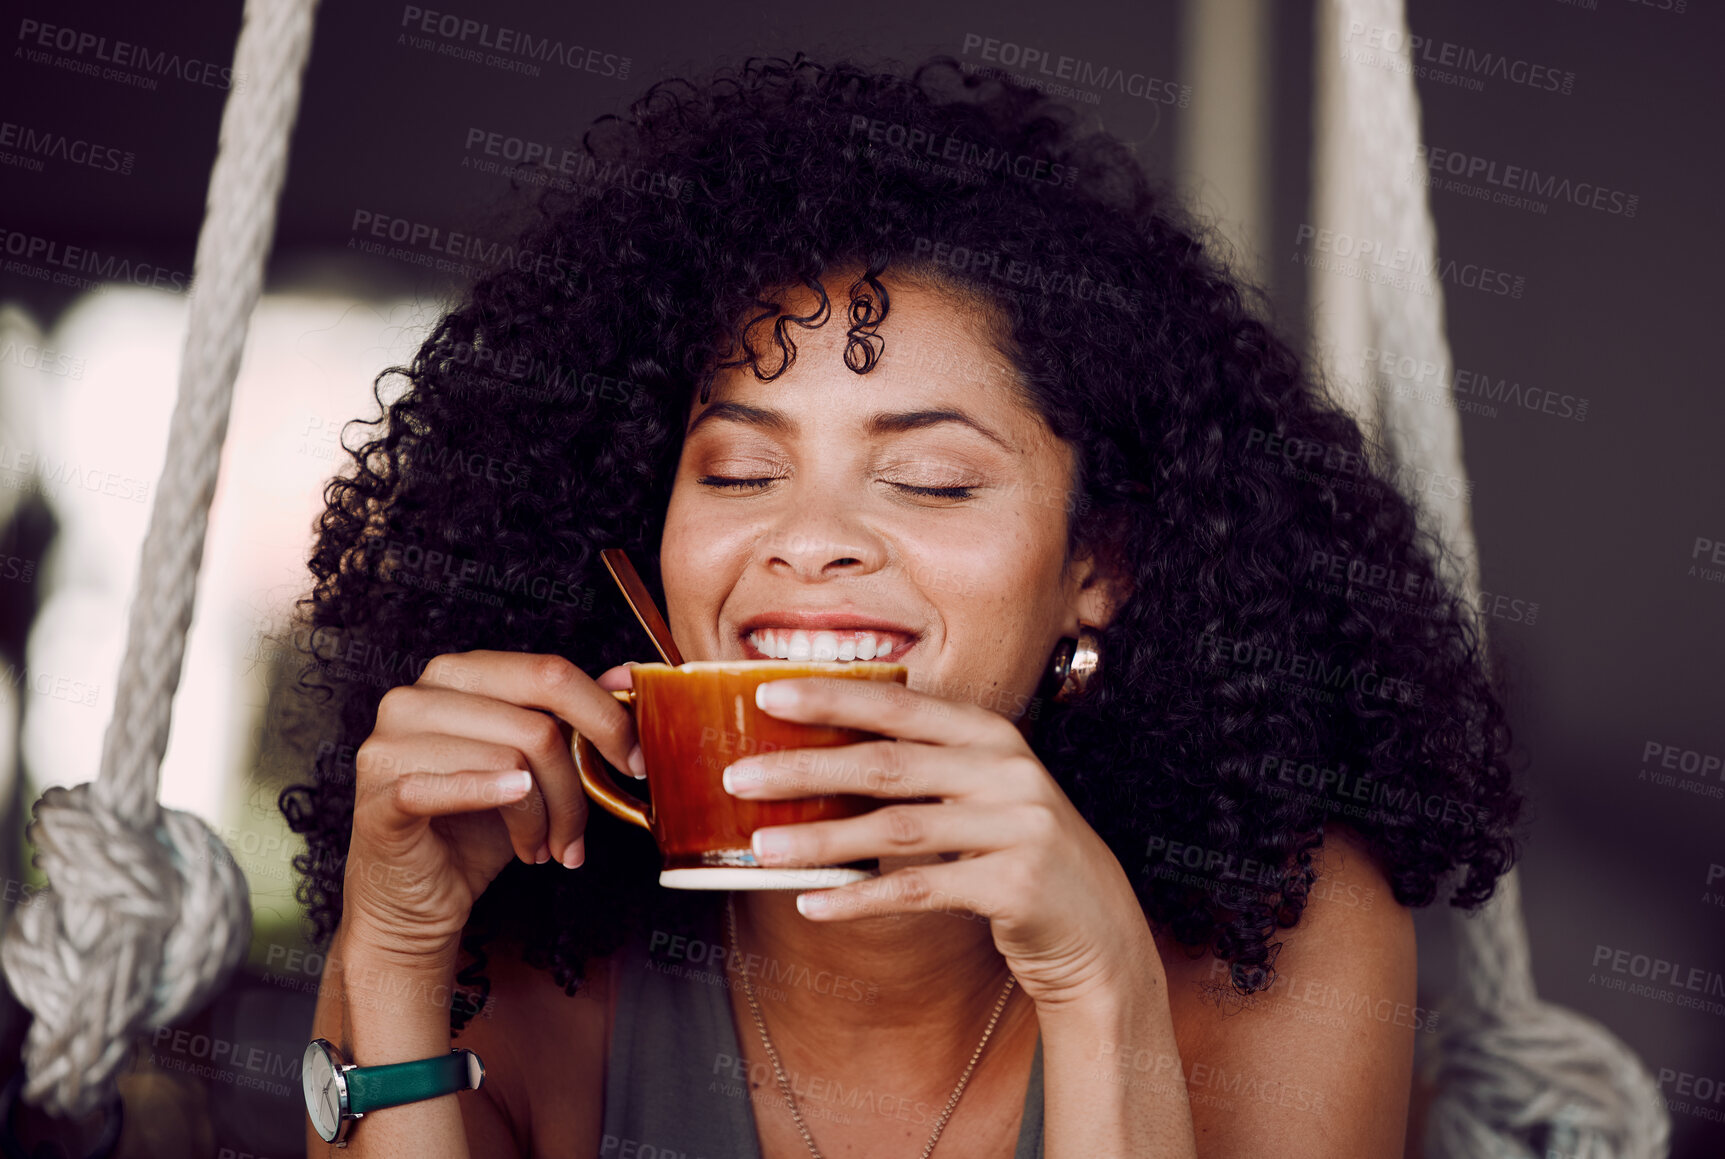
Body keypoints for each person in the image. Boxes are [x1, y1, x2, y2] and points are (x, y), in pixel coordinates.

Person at [285, 54, 1522, 1158]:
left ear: (1100, 567)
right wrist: (392, 962)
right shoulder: (521, 944)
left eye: (928, 478)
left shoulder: (1285, 930)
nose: (809, 540)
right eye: (740, 471)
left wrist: (1100, 985)